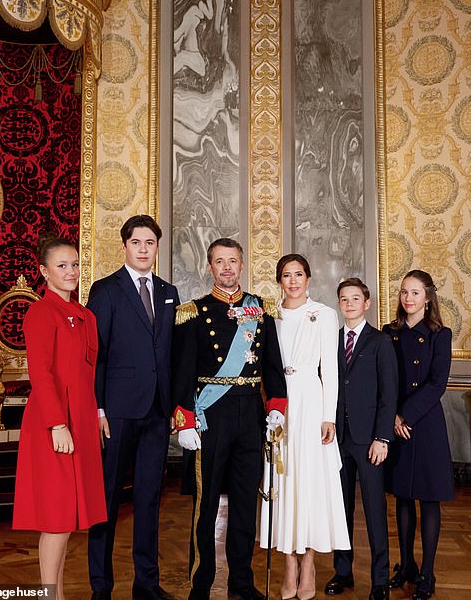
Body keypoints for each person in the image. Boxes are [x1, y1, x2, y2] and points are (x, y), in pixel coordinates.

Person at [172, 238, 287, 600]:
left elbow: (272, 365)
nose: (226, 268)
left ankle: (241, 581)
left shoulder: (261, 311)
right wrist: (184, 420)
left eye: (232, 261)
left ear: (242, 265)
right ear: (210, 267)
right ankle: (201, 583)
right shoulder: (194, 312)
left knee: (243, 502)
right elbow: (183, 372)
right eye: (219, 262)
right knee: (205, 505)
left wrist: (276, 408)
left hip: (251, 414)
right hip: (213, 416)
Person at [86, 215, 179, 600]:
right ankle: (101, 587)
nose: (144, 249)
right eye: (137, 242)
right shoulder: (105, 290)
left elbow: (170, 352)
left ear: (157, 247)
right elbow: (95, 355)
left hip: (157, 411)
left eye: (150, 243)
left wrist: (175, 406)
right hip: (117, 412)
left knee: (148, 499)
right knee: (106, 499)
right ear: (124, 246)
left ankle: (147, 584)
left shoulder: (168, 290)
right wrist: (99, 410)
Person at [13, 233, 106, 600]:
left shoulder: (85, 315)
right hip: (54, 423)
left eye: (75, 264)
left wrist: (96, 415)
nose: (71, 272)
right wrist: (57, 424)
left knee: (68, 519)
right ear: (44, 272)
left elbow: (88, 373)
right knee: (56, 517)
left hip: (81, 420)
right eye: (62, 266)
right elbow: (41, 373)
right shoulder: (41, 312)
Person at [259, 254, 350, 600]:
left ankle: (309, 561)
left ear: (309, 279)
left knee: (310, 482)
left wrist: (329, 416)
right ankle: (288, 565)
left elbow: (332, 371)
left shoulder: (324, 315)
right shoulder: (269, 315)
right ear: (279, 280)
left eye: (299, 274)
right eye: (286, 275)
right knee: (282, 481)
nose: (293, 281)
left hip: (312, 403)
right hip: (279, 404)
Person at [382, 270, 454, 600]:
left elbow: (437, 383)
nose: (407, 299)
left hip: (424, 425)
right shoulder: (389, 333)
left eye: (414, 293)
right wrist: (392, 418)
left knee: (428, 497)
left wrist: (404, 415)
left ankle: (427, 572)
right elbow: (387, 380)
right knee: (402, 496)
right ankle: (407, 565)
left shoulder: (440, 335)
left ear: (427, 297)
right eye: (403, 293)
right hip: (395, 425)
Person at [325, 278, 398, 600]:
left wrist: (382, 438)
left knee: (374, 511)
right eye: (344, 299)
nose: (350, 304)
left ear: (366, 303)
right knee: (339, 510)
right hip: (337, 437)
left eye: (356, 298)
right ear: (339, 304)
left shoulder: (380, 342)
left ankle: (380, 579)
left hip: (369, 439)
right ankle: (343, 571)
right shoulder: (331, 339)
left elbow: (389, 394)